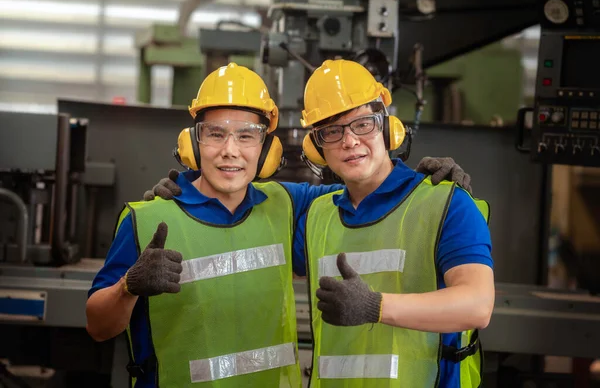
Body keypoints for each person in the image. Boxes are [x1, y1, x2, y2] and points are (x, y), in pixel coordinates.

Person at [87, 62, 472, 388]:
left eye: (247, 136)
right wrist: (127, 287)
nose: (230, 150)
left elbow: (369, 195)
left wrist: (419, 186)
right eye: (215, 134)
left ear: (268, 150)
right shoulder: (148, 218)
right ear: (191, 143)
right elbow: (98, 327)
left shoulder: (290, 205)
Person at [297, 59, 494, 387]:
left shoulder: (446, 204)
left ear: (388, 128)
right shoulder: (317, 215)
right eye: (331, 131)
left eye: (363, 124)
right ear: (316, 148)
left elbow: (478, 305)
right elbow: (242, 200)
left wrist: (375, 306)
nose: (349, 141)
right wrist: (183, 189)